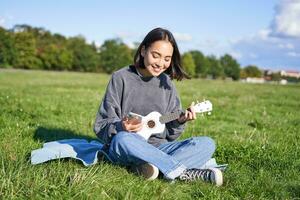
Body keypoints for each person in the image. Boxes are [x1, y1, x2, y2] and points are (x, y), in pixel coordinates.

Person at [94, 27, 223, 186]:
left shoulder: (167, 84)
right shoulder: (121, 78)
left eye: (167, 59)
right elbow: (101, 126)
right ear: (143, 50)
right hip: (127, 148)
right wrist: (121, 126)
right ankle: (182, 172)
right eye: (156, 56)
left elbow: (170, 135)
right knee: (123, 139)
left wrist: (179, 120)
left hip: (159, 150)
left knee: (207, 143)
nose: (161, 63)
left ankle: (148, 167)